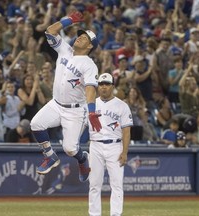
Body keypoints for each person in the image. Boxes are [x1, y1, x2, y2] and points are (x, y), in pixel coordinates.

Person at [30, 11, 101, 182]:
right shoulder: (65, 50)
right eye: (79, 36)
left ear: (90, 46)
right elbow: (49, 31)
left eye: (84, 38)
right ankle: (50, 156)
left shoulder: (89, 65)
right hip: (56, 104)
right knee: (36, 124)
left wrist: (92, 111)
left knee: (70, 149)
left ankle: (83, 159)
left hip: (76, 111)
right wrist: (67, 20)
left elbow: (91, 89)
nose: (79, 38)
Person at [88, 73, 133, 216]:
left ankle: (115, 214)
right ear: (98, 87)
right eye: (101, 84)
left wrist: (124, 152)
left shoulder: (122, 106)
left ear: (112, 86)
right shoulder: (91, 105)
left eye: (107, 84)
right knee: (94, 184)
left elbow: (126, 132)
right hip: (95, 145)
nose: (104, 87)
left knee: (117, 184)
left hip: (115, 146)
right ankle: (94, 214)